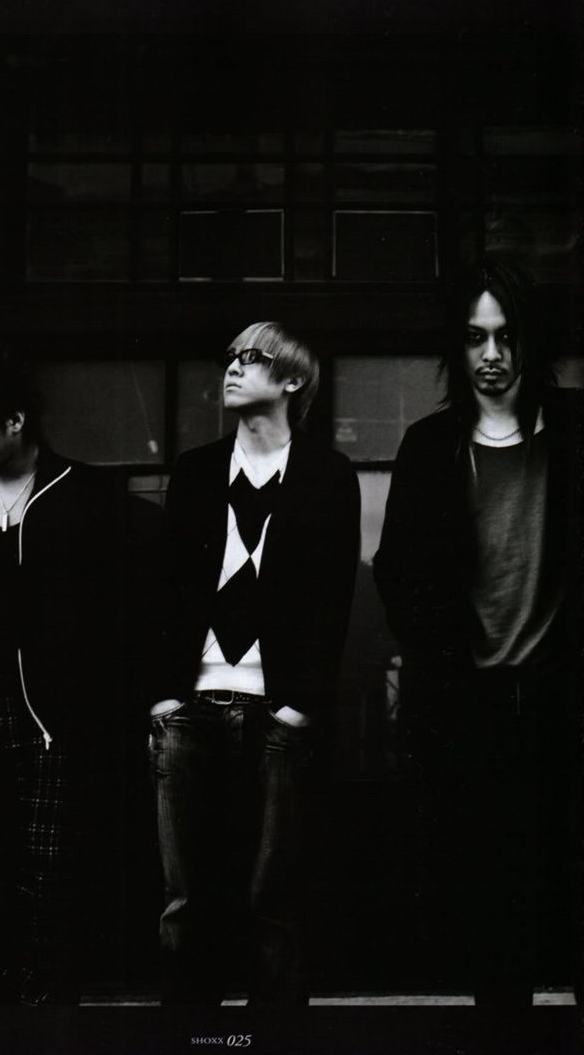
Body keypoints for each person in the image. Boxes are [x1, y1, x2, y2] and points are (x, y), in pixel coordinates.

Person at [373, 259, 584, 1007]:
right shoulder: (430, 444)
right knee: (486, 904)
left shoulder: (576, 431)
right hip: (468, 705)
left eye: (505, 335)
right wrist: (441, 660)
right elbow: (396, 572)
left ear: (529, 340)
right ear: (455, 347)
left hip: (563, 699)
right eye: (474, 337)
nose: (491, 354)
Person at [151, 322, 360, 1004]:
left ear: (293, 380)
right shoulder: (195, 471)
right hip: (191, 709)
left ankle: (274, 1042)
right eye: (231, 358)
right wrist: (164, 697)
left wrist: (301, 705)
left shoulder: (328, 476)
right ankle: (192, 1040)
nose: (233, 368)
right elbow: (163, 589)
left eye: (252, 357)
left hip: (279, 713)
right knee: (185, 902)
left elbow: (334, 599)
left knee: (276, 902)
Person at [0, 355, 118, 1005]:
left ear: (14, 421)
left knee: (50, 865)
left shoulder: (82, 493)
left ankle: (46, 997)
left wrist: (85, 710)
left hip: (50, 713)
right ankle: (9, 985)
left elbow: (113, 614)